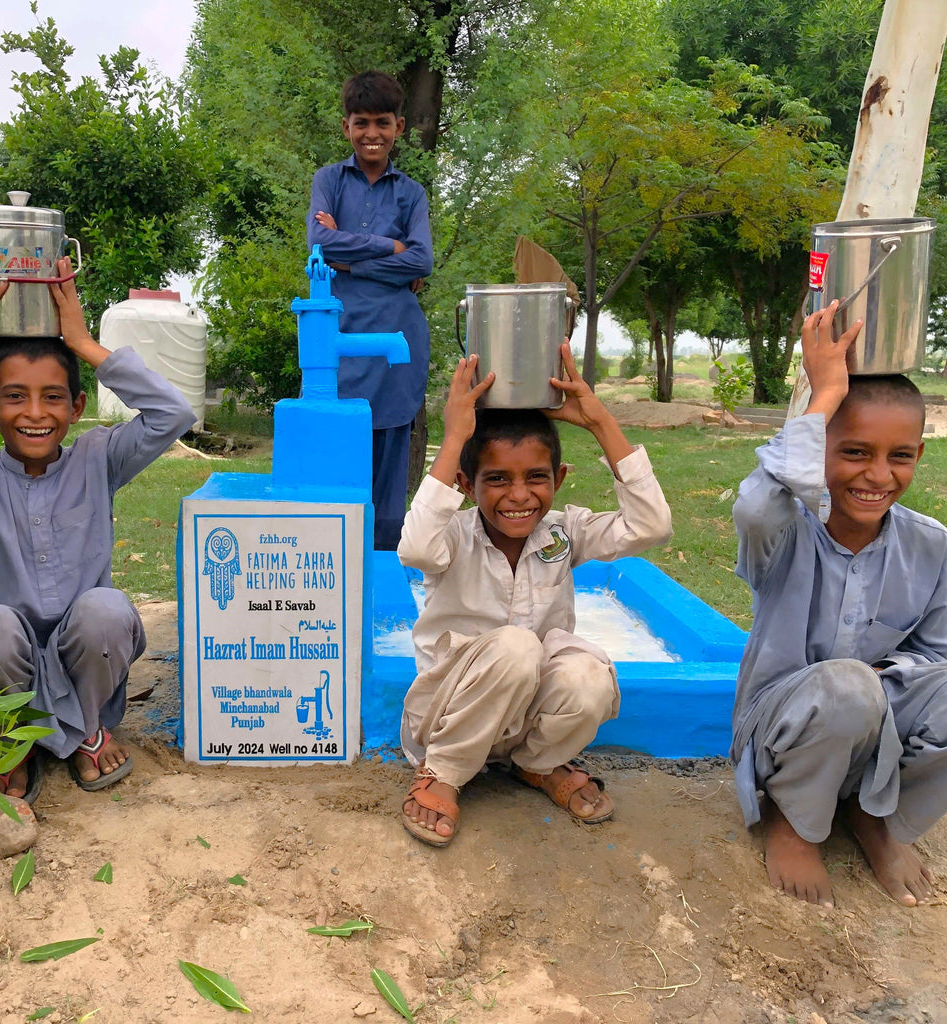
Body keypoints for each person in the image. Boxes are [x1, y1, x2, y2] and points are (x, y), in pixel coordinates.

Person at [0, 253, 196, 799]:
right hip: (0, 666)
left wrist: (84, 344)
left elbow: (174, 413)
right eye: (14, 397)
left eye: (52, 398)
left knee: (107, 609)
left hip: (82, 657)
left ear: (75, 407)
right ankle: (9, 741)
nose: (35, 413)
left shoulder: (99, 458)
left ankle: (88, 727)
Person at [396, 345, 672, 845]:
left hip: (525, 718)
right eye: (497, 479)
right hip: (449, 716)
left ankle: (538, 764)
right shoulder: (453, 537)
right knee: (518, 644)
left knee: (589, 673)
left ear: (558, 480)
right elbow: (414, 547)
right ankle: (443, 773)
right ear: (467, 484)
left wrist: (599, 421)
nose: (519, 495)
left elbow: (650, 525)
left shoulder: (564, 533)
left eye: (535, 478)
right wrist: (457, 432)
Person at [731, 299, 946, 908]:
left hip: (879, 725)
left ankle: (876, 816)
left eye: (898, 456)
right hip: (781, 732)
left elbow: (936, 657)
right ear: (817, 448)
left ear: (917, 457)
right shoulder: (784, 533)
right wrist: (821, 396)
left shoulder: (932, 547)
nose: (877, 475)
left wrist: (883, 686)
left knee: (870, 686)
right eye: (853, 451)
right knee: (848, 689)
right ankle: (794, 821)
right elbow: (754, 504)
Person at [307, 69, 433, 550]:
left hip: (397, 345)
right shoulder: (328, 181)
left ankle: (383, 582)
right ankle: (334, 579)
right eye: (362, 123)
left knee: (388, 476)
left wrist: (351, 258)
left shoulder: (411, 193)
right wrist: (390, 248)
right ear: (346, 127)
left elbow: (423, 260)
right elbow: (318, 244)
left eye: (382, 123)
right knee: (336, 464)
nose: (372, 134)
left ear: (399, 127)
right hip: (336, 346)